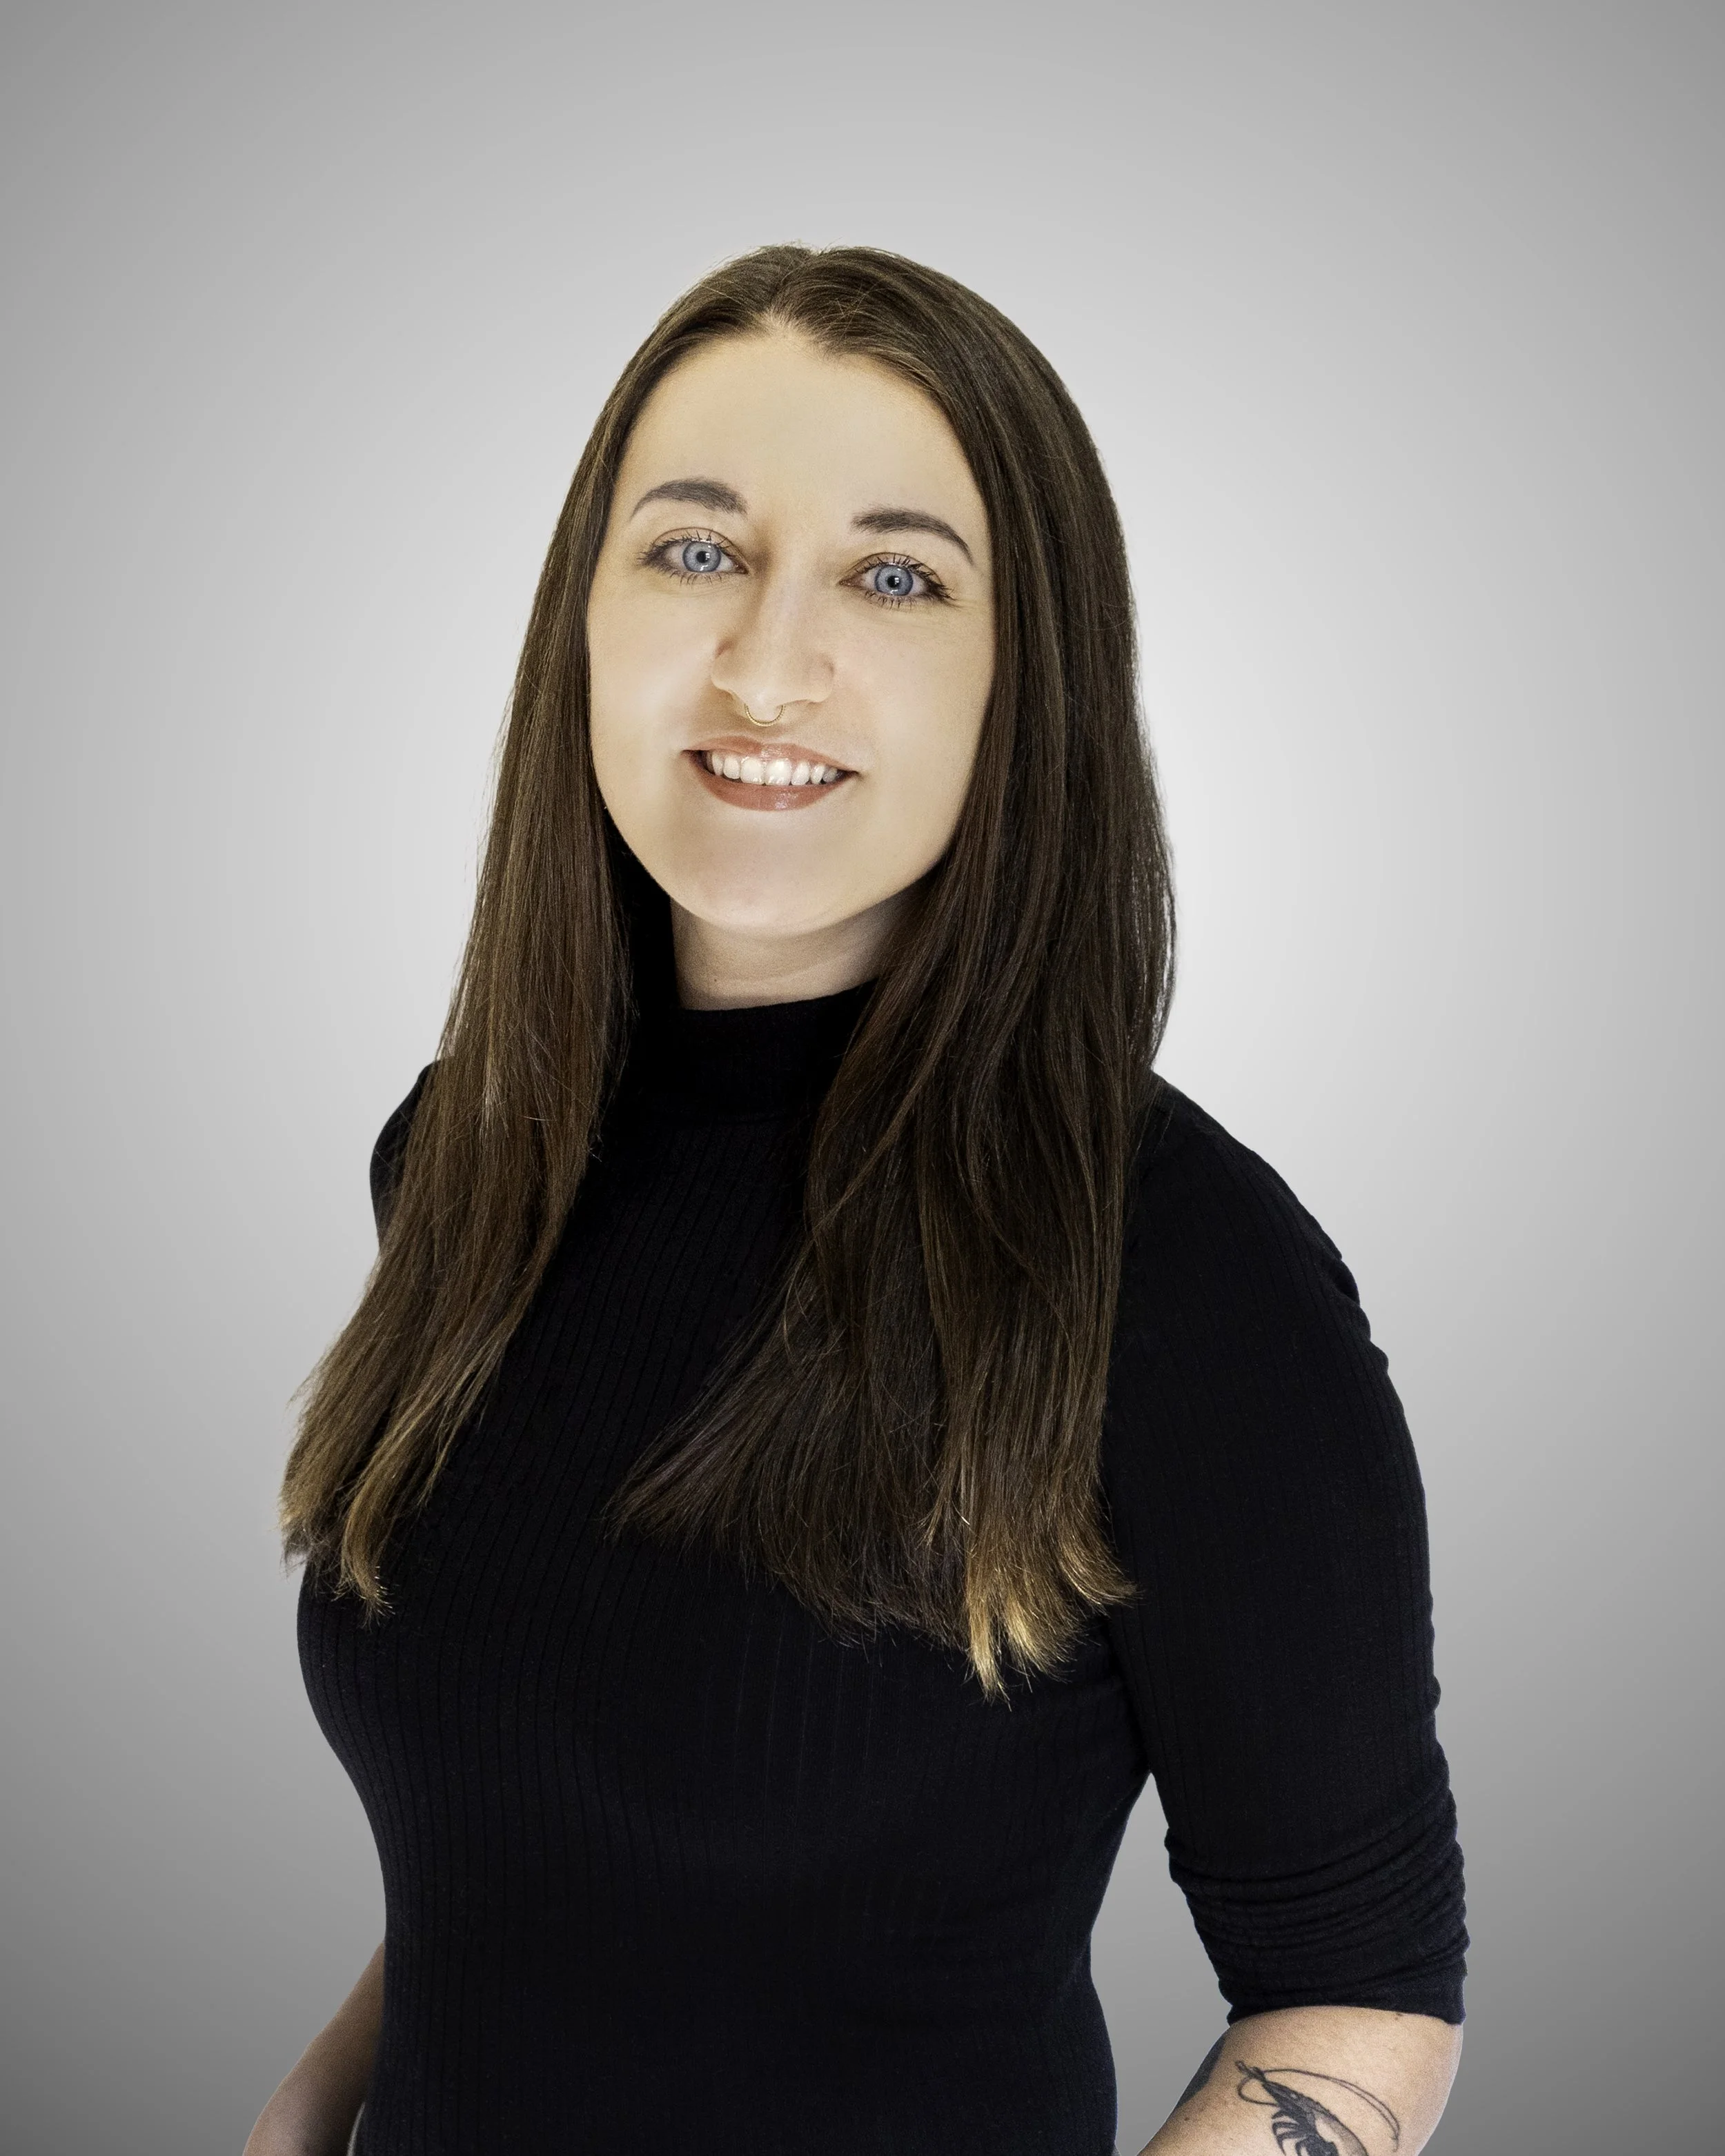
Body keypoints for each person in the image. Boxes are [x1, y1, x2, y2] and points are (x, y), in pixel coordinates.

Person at [246, 244, 1466, 2156]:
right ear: (585, 615)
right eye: (693, 549)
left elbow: (1355, 1995)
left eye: (895, 576)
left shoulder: (1178, 1265)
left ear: (1022, 679)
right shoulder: (472, 1157)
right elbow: (523, 1853)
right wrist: (304, 2119)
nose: (765, 661)